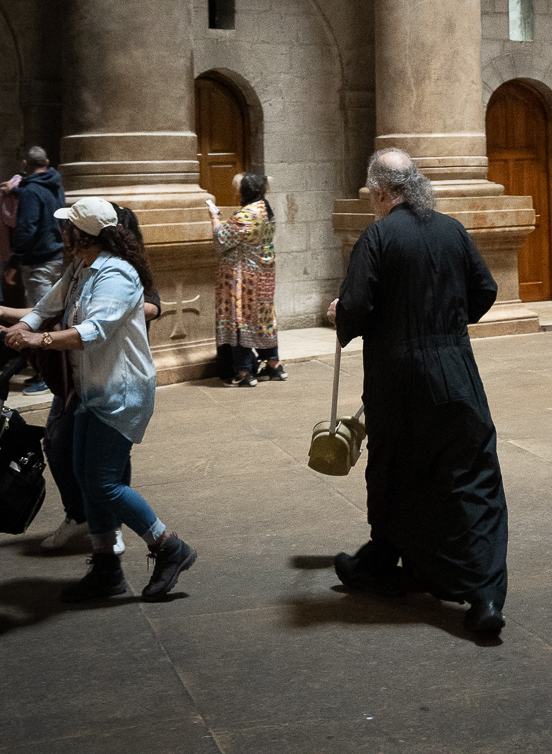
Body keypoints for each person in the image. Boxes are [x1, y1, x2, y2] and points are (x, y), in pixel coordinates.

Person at [327, 148, 507, 635]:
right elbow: (485, 290)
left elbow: (356, 305)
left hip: (397, 376)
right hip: (454, 371)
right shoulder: (452, 229)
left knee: (395, 470)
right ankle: (485, 596)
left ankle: (384, 563)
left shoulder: (378, 235)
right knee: (471, 475)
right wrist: (448, 324)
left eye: (372, 195)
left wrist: (342, 316)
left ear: (381, 191)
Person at [0, 196, 197, 602]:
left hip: (121, 391)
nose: (62, 231)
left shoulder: (117, 274)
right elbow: (49, 304)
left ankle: (169, 547)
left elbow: (93, 332)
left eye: (68, 226)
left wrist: (38, 339)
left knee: (104, 482)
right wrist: (20, 323)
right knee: (84, 473)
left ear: (83, 235)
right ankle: (107, 567)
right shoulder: (81, 267)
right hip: (92, 388)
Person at [206, 172, 284, 386]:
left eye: (238, 189)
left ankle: (243, 373)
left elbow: (221, 240)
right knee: (264, 320)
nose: (236, 193)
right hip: (263, 275)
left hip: (243, 279)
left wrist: (215, 218)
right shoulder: (266, 209)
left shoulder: (247, 214)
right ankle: (273, 365)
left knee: (240, 320)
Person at [4, 146, 67, 395]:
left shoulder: (31, 190)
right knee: (51, 315)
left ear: (25, 163)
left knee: (40, 318)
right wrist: (16, 191)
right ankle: (46, 370)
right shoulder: (55, 184)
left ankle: (48, 376)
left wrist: (13, 262)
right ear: (47, 161)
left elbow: (26, 228)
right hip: (55, 256)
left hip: (37, 261)